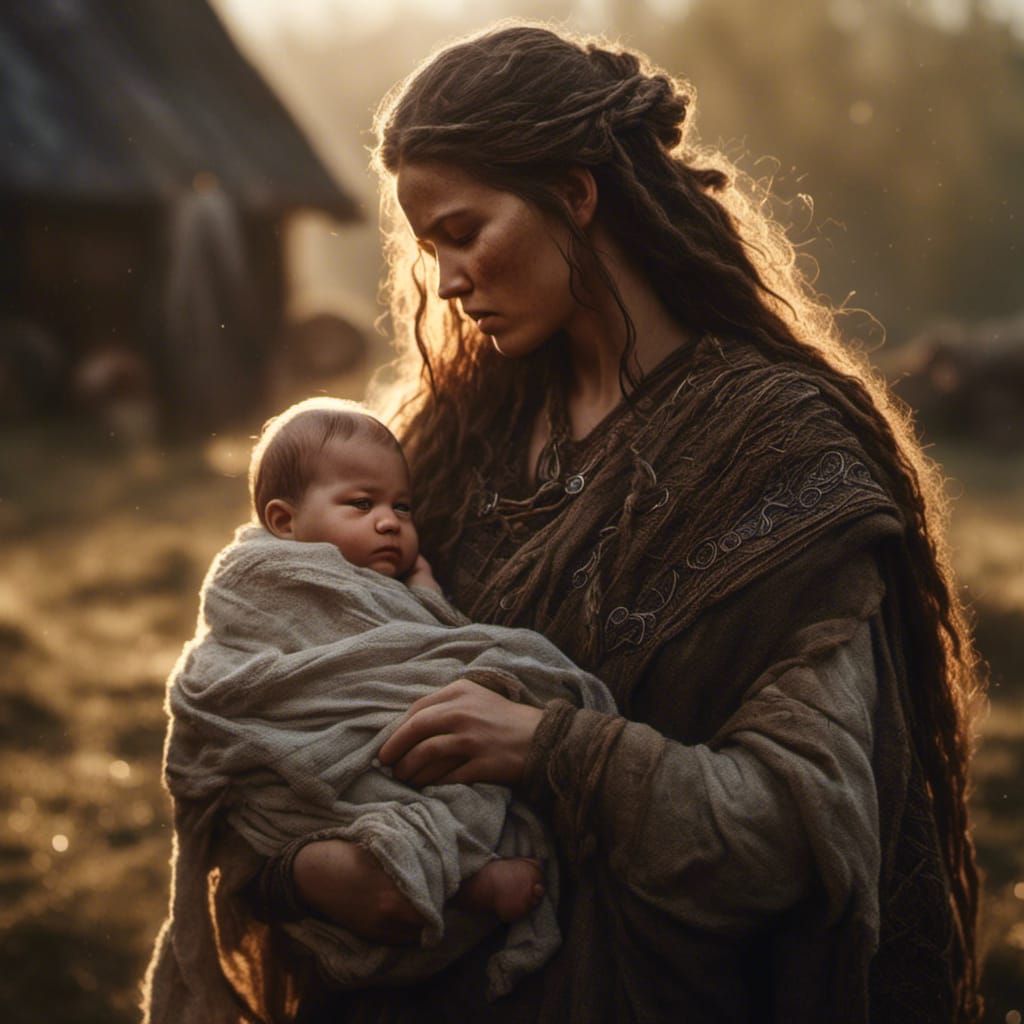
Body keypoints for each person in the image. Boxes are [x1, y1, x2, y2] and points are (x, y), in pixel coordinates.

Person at [150, 22, 984, 1023]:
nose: (448, 281)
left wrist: (551, 747)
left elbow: (792, 833)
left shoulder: (779, 454)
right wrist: (297, 874)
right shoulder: (451, 438)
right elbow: (284, 715)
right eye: (428, 249)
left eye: (464, 232)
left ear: (575, 195)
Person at [142, 397, 615, 1020]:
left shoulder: (387, 583)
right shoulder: (267, 582)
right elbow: (246, 677)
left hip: (387, 762)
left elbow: (427, 649)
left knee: (426, 789)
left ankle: (446, 873)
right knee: (381, 824)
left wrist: (424, 600)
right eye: (361, 505)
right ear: (284, 522)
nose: (390, 522)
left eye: (402, 506)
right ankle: (465, 881)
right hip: (306, 768)